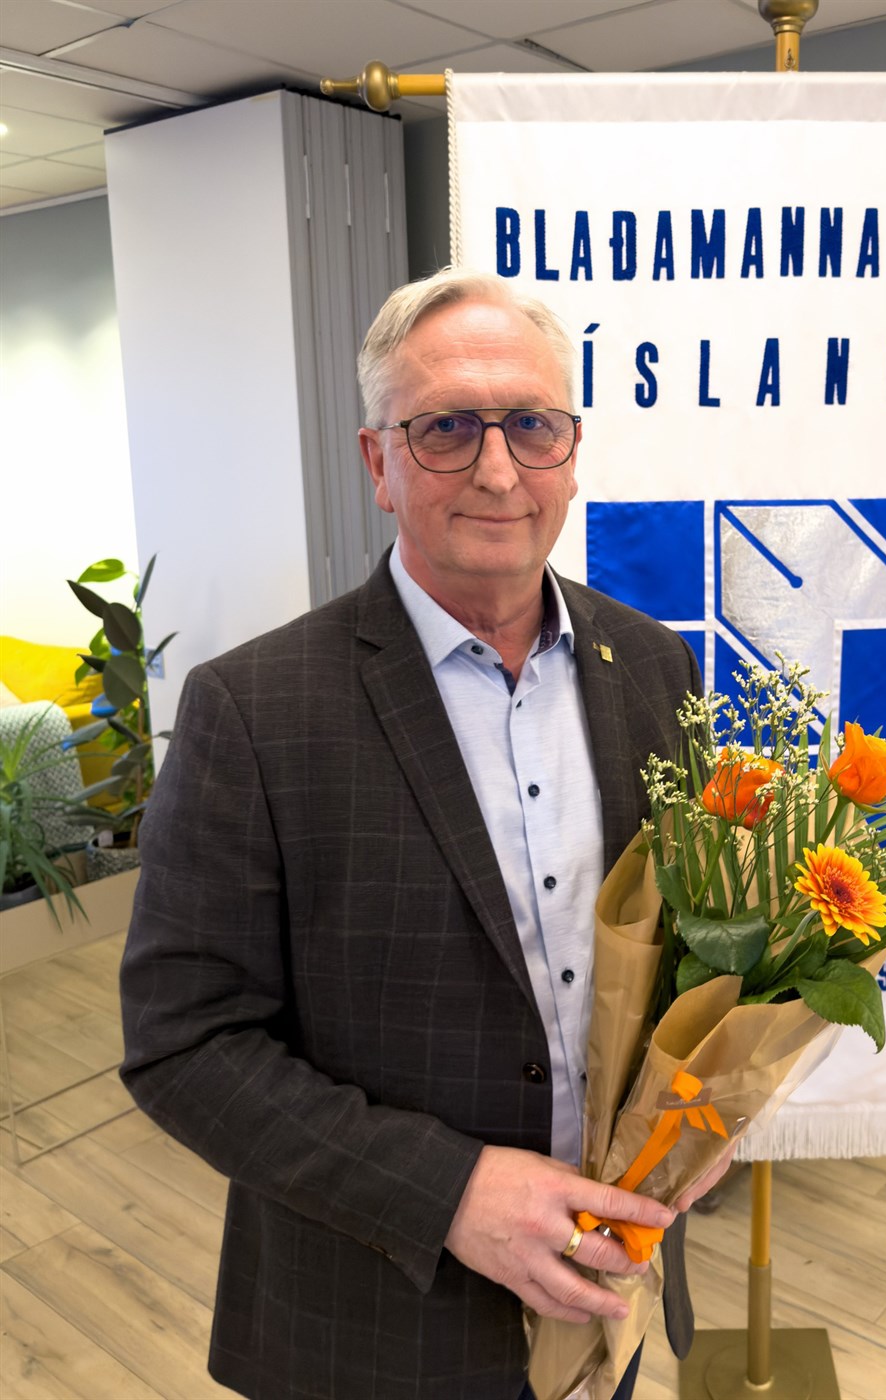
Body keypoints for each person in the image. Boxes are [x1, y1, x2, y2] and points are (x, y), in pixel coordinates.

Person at [119, 268, 729, 1399]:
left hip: (612, 1283)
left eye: (531, 425)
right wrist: (446, 1192)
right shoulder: (253, 710)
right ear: (378, 463)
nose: (498, 470)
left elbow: (684, 956)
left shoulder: (655, 666)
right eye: (446, 427)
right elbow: (182, 1044)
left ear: (572, 451)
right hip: (375, 1325)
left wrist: (702, 1110)